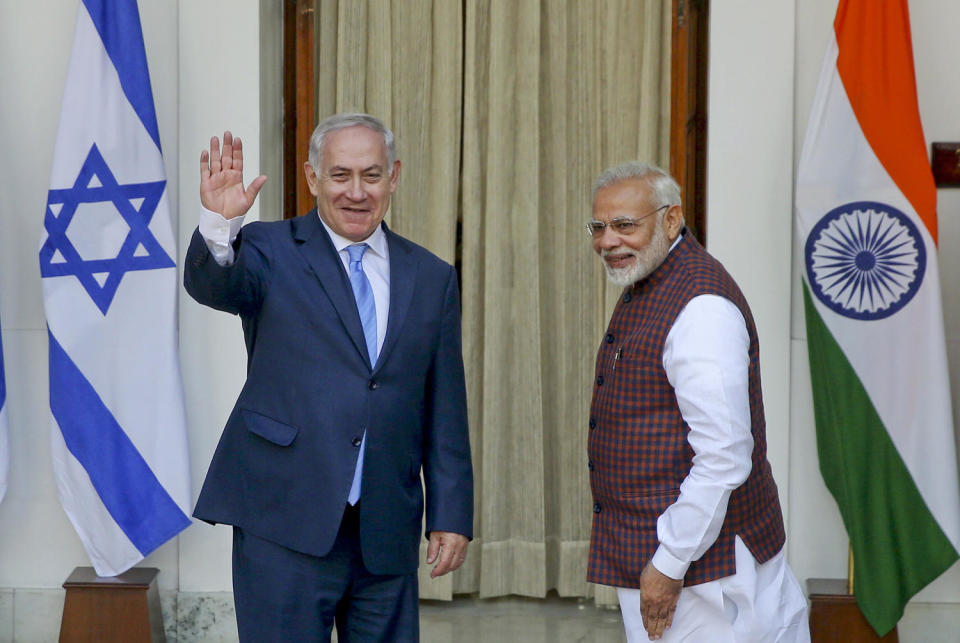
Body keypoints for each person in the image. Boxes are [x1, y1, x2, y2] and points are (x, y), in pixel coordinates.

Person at [184, 113, 473, 642]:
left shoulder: (431, 277)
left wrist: (451, 514)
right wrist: (219, 228)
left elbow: (445, 405)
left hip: (385, 529)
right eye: (340, 175)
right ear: (314, 179)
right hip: (283, 521)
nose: (356, 192)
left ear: (394, 176)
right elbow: (215, 286)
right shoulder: (270, 250)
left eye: (371, 175)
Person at [585, 161, 809, 642]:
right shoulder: (654, 280)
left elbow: (724, 457)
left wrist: (668, 564)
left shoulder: (700, 307)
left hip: (703, 573)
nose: (608, 241)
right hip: (676, 559)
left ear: (671, 220)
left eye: (625, 225)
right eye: (599, 227)